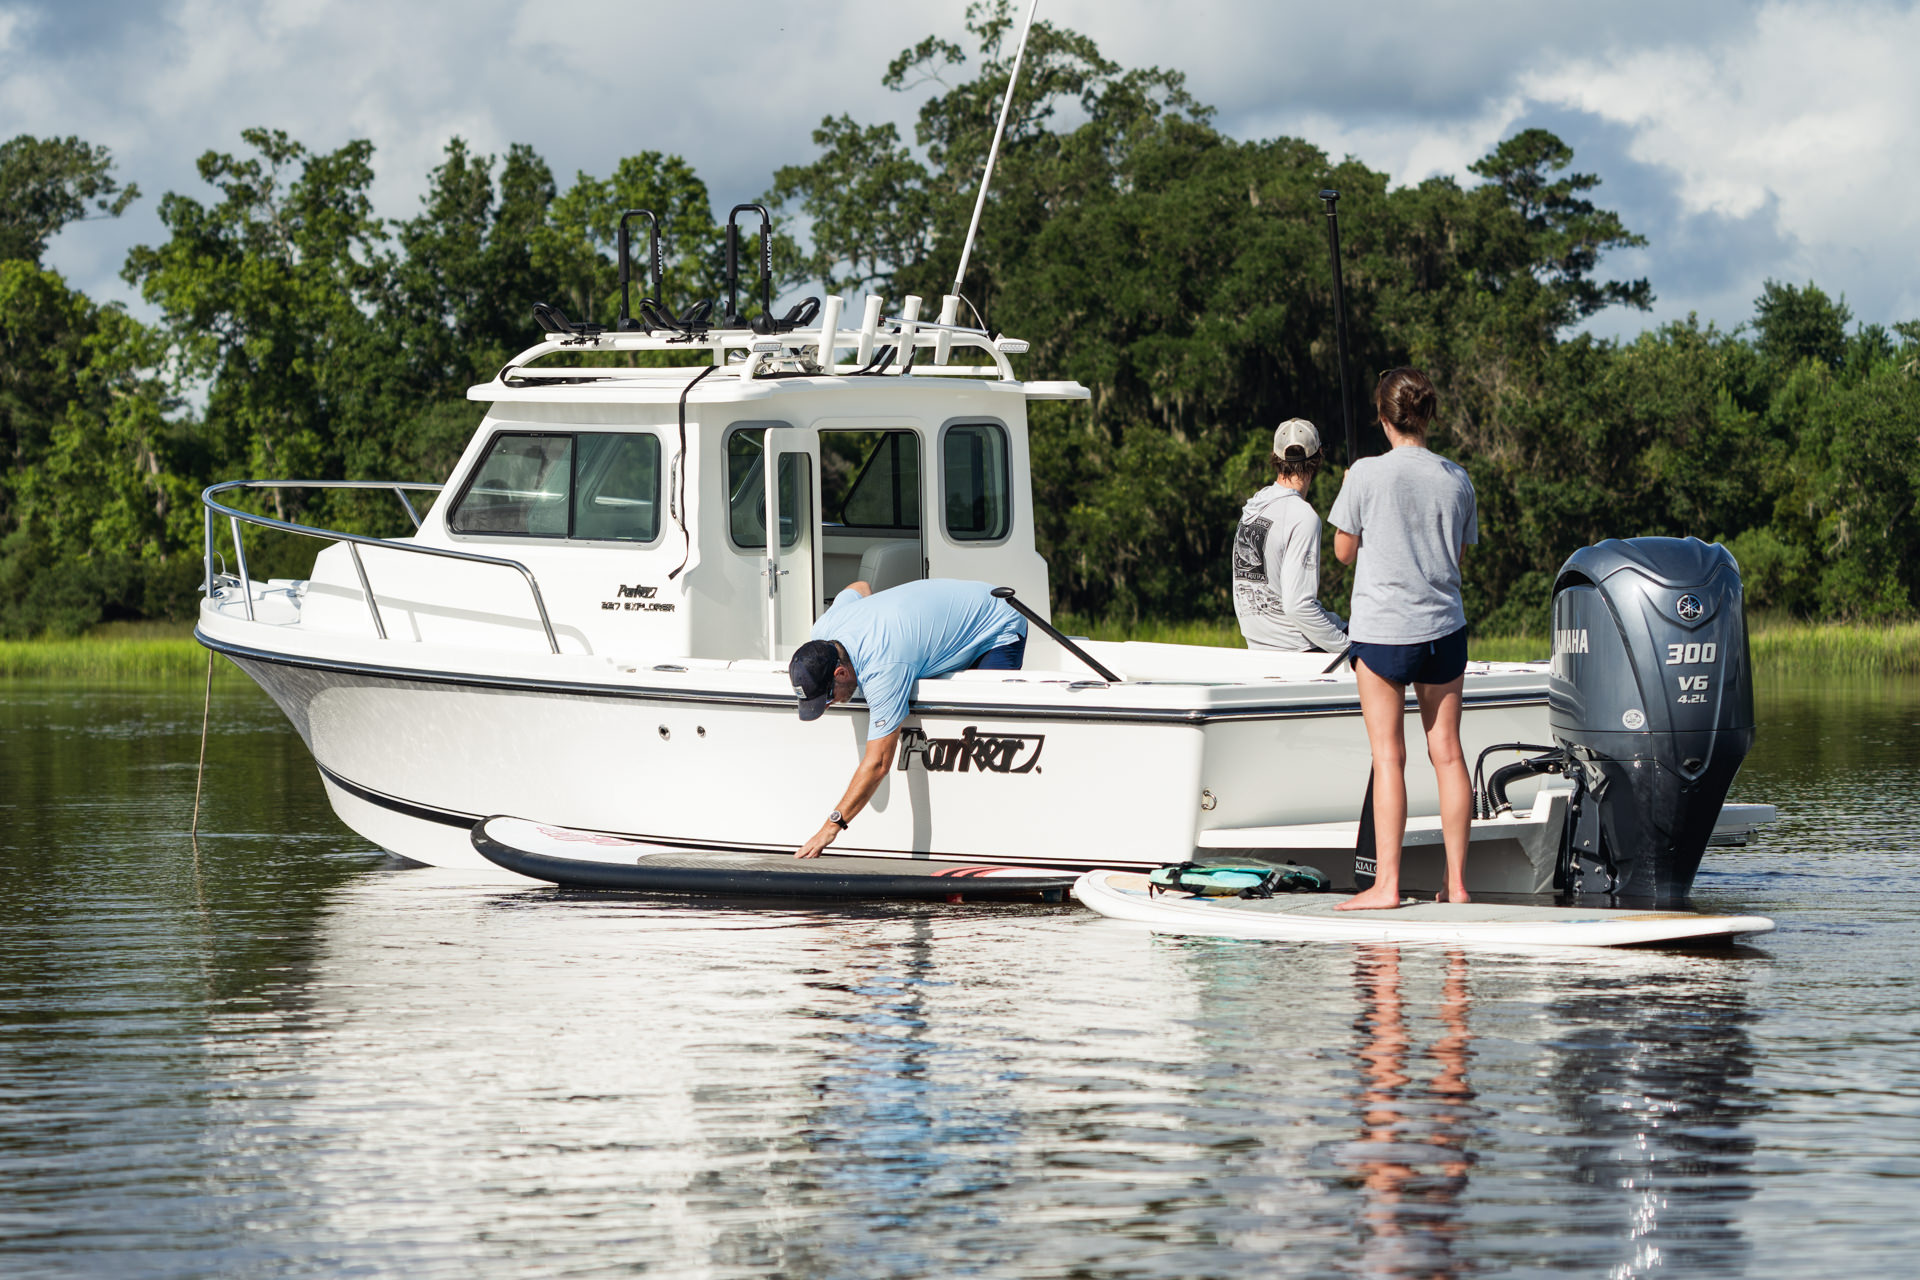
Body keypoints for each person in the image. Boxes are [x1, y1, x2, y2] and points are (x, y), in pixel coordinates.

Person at [1327, 368, 1478, 910]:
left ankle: (1386, 886)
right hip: (1444, 631)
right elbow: (1457, 558)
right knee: (1449, 755)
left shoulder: (1364, 474)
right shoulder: (1458, 477)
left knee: (1389, 758)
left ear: (1383, 417)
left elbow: (1344, 553)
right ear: (1427, 414)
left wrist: (1354, 493)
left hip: (1384, 633)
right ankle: (1457, 886)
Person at [786, 577, 1028, 858]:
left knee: (982, 720)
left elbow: (878, 763)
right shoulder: (824, 629)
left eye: (828, 699)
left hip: (997, 620)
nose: (828, 707)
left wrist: (831, 827)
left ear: (840, 673)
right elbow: (859, 587)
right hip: (953, 612)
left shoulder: (884, 666)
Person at [1232, 418, 1348, 653]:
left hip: (1258, 645)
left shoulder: (1253, 509)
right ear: (1319, 456)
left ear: (1275, 457)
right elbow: (1298, 607)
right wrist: (1349, 647)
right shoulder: (1302, 517)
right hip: (1296, 649)